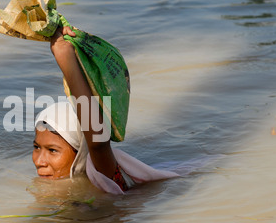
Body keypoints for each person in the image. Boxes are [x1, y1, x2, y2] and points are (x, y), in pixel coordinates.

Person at [32, 26, 180, 194]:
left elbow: (98, 143)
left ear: (81, 151)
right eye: (36, 147)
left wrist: (65, 56)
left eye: (52, 150)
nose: (39, 161)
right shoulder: (48, 190)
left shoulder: (103, 177)